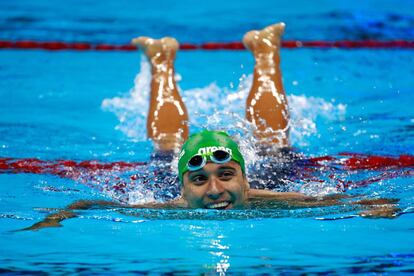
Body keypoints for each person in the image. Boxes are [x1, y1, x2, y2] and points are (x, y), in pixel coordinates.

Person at [23, 23, 398, 231]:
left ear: (246, 181)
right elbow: (90, 204)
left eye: (226, 175)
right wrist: (59, 215)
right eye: (200, 179)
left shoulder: (266, 196)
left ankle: (265, 49)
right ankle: (161, 61)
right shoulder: (166, 205)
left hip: (266, 177)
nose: (216, 189)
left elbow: (331, 200)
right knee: (168, 149)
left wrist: (371, 205)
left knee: (273, 146)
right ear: (183, 189)